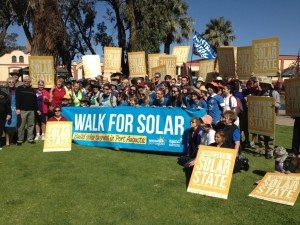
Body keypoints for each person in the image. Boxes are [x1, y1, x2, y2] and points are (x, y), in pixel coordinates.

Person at [16, 76, 39, 145]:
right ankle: (20, 139)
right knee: (21, 125)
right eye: (25, 81)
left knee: (31, 125)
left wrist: (37, 109)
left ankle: (30, 139)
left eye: (28, 81)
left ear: (30, 82)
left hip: (31, 110)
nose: (26, 82)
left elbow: (35, 101)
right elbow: (17, 99)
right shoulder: (19, 88)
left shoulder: (32, 90)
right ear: (23, 81)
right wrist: (17, 108)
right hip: (22, 110)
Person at [4, 77, 17, 147]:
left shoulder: (17, 90)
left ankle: (11, 139)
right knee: (7, 126)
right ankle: (7, 141)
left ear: (14, 83)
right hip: (7, 111)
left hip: (15, 110)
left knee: (13, 126)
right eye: (9, 82)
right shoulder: (5, 90)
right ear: (7, 83)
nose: (11, 83)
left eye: (12, 82)